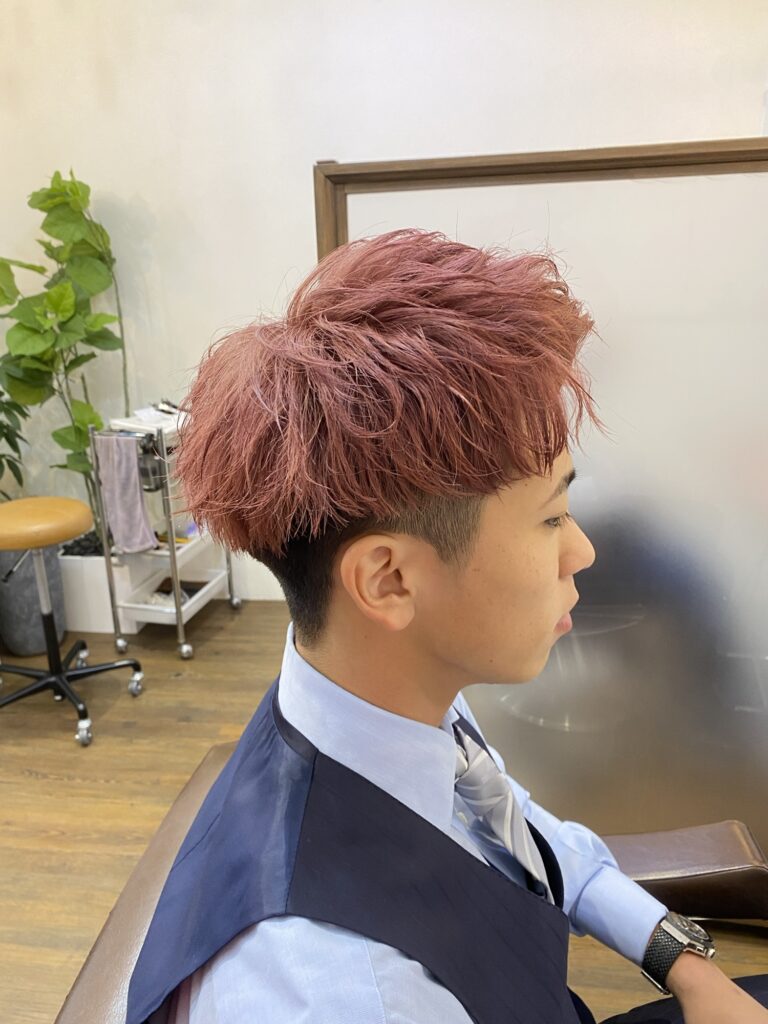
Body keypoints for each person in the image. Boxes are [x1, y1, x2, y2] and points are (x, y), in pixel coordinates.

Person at [127, 228, 768, 1024]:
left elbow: (518, 825)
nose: (583, 550)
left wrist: (683, 963)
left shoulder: (384, 700)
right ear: (389, 580)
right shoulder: (351, 993)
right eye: (551, 518)